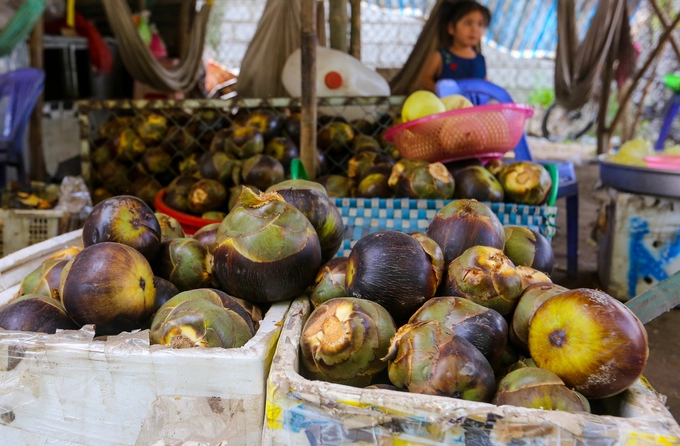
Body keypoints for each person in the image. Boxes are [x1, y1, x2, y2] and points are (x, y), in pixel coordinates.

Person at [420, 1, 491, 93]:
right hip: (446, 105)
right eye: (468, 23)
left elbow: (484, 82)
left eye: (480, 25)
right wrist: (439, 91)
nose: (475, 30)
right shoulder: (441, 56)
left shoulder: (480, 59)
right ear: (451, 28)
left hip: (473, 107)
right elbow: (425, 79)